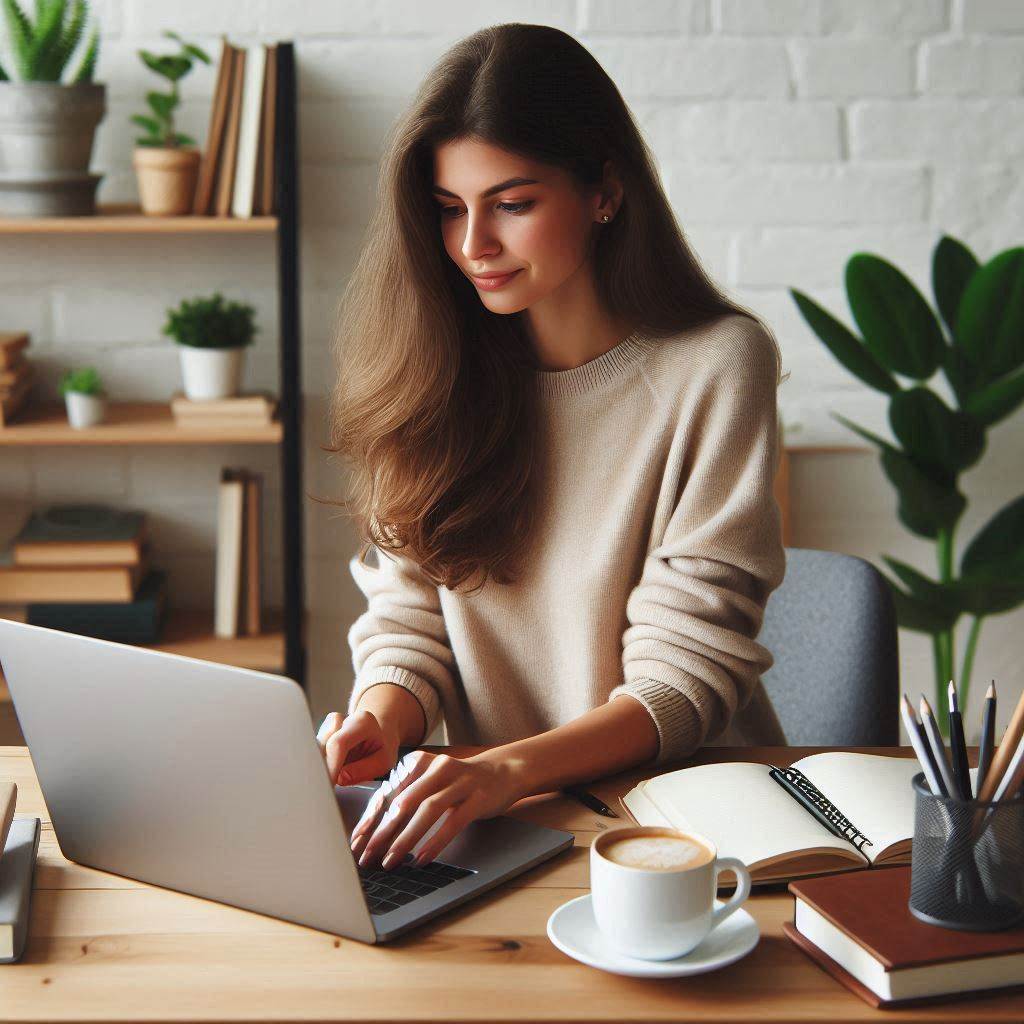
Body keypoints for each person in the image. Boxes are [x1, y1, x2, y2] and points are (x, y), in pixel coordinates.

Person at [314, 23, 788, 872]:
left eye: (512, 203)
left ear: (604, 189)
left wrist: (503, 771)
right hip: (517, 825)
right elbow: (410, 616)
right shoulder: (429, 369)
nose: (472, 247)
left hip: (689, 830)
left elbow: (684, 680)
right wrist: (381, 719)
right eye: (449, 209)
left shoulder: (717, 366)